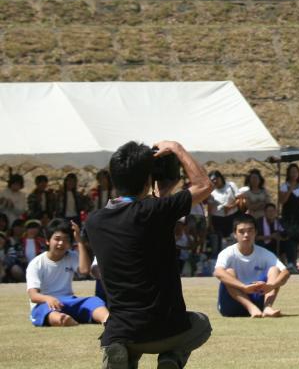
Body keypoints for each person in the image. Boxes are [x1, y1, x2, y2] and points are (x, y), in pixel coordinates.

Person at [84, 140, 214, 369]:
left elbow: (131, 217)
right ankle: (170, 358)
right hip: (168, 329)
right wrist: (177, 148)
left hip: (122, 331)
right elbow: (204, 185)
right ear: (148, 180)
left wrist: (155, 196)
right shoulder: (157, 212)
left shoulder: (94, 222)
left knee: (123, 342)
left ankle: (121, 353)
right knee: (202, 324)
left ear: (114, 178)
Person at [26, 218, 109, 327]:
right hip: (45, 303)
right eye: (57, 239)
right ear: (47, 240)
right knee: (48, 313)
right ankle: (63, 319)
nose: (61, 243)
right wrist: (48, 298)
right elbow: (33, 295)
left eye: (66, 240)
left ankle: (108, 320)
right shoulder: (36, 263)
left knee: (93, 301)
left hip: (69, 301)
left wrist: (79, 241)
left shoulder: (71, 256)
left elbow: (84, 270)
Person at [214, 213, 290, 318]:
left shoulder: (264, 253)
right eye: (241, 231)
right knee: (228, 272)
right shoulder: (227, 253)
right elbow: (218, 272)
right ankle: (251, 308)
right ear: (235, 234)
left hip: (258, 298)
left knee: (274, 269)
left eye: (250, 230)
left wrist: (271, 286)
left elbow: (285, 272)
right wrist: (244, 287)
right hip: (231, 305)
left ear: (256, 233)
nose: (246, 235)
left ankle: (267, 307)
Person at [278, 163, 299, 270]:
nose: (294, 174)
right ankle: (290, 262)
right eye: (292, 172)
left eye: (296, 172)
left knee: (298, 239)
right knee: (289, 239)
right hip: (288, 217)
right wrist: (290, 190)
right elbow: (282, 201)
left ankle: (298, 263)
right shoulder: (284, 186)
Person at [207, 170, 239, 256]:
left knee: (232, 238)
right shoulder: (211, 191)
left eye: (216, 178)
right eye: (212, 180)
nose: (215, 181)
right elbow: (209, 209)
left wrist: (230, 207)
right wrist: (209, 223)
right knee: (219, 241)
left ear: (221, 177)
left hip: (232, 216)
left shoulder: (231, 185)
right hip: (217, 219)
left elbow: (239, 199)